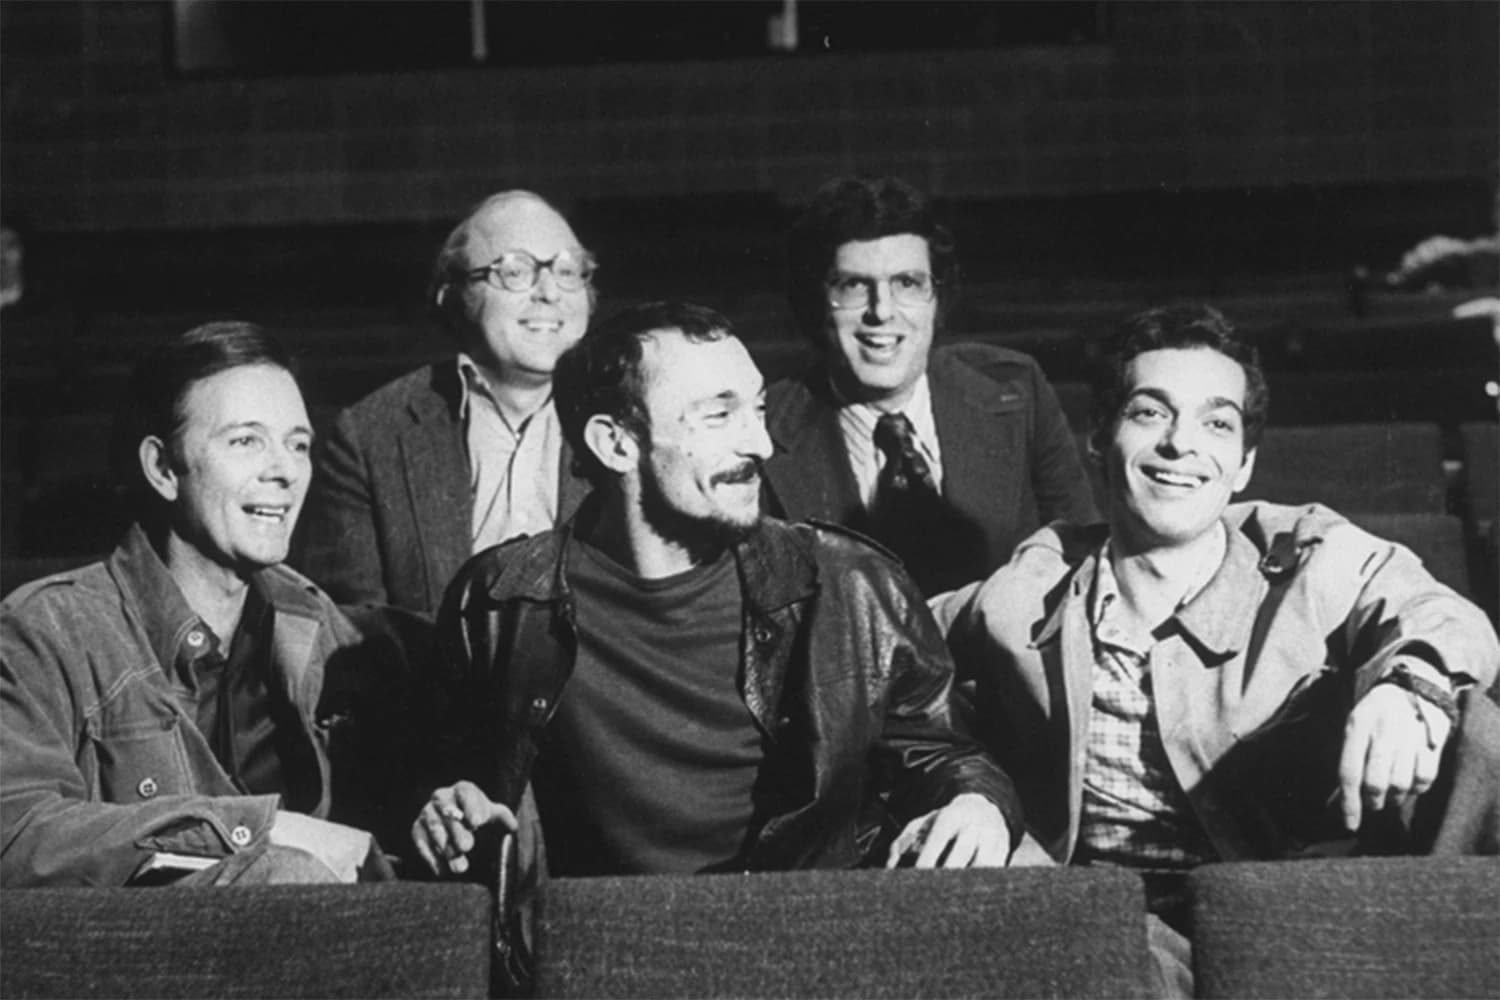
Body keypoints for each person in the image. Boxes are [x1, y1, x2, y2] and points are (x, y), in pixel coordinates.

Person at [931, 303, 1500, 997]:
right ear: (1100, 438)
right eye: (1150, 413)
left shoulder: (1304, 554)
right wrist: (972, 793)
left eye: (1216, 423)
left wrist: (1413, 685)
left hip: (1286, 908)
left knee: (1477, 731)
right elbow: (891, 665)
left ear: (1244, 465)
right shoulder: (1026, 590)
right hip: (1107, 928)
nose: (1181, 443)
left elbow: (1438, 610)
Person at [411, 301, 1018, 887]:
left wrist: (977, 803)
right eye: (719, 415)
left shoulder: (850, 583)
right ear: (616, 443)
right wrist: (448, 811)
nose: (760, 444)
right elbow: (447, 779)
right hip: (599, 937)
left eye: (757, 409)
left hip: (810, 927)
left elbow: (944, 754)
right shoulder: (502, 601)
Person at [1, 322, 410, 887]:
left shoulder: (315, 624)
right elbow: (15, 834)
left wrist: (441, 811)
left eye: (298, 444)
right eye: (245, 441)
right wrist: (263, 831)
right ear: (163, 469)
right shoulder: (49, 630)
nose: (284, 471)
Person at [762, 175, 1095, 597]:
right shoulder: (765, 429)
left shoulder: (1016, 390)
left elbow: (1084, 556)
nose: (882, 311)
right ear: (816, 302)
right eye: (853, 286)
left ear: (937, 298)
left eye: (907, 283)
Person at [299, 190, 595, 615]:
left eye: (567, 270)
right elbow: (352, 626)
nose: (549, 292)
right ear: (454, 294)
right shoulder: (370, 435)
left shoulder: (634, 419)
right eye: (515, 271)